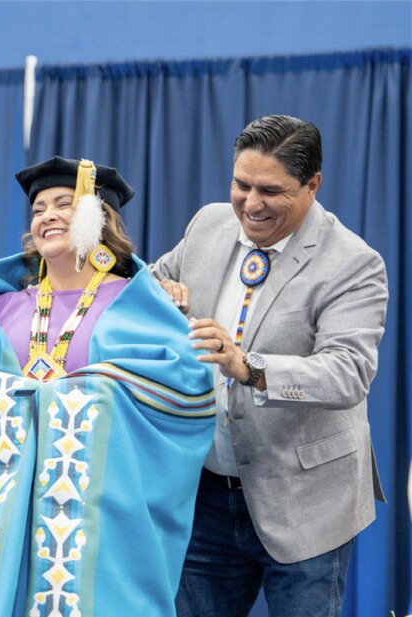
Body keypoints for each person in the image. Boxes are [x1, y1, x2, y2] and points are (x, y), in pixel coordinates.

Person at [0, 156, 217, 616]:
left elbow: (185, 390)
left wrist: (70, 397)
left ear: (100, 219)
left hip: (95, 522)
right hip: (4, 523)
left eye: (64, 204)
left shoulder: (140, 304)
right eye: (38, 209)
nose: (47, 216)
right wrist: (15, 401)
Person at [150, 114, 388, 616]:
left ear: (313, 184)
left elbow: (348, 372)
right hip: (207, 497)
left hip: (308, 503)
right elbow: (146, 286)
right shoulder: (209, 224)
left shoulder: (354, 263)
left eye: (270, 190)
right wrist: (158, 290)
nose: (250, 204)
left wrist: (249, 367)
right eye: (241, 184)